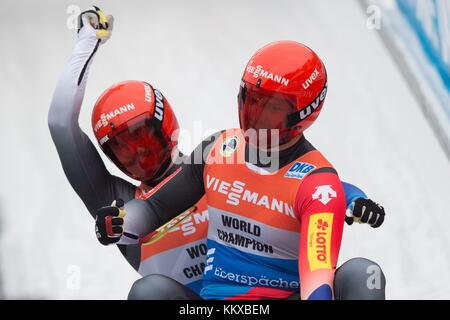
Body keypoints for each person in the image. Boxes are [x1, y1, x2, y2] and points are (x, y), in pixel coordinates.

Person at [93, 38, 386, 300]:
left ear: (305, 114)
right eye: (252, 101)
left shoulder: (319, 185)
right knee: (149, 292)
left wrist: (353, 198)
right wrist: (119, 222)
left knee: (363, 274)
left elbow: (317, 277)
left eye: (273, 109)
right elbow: (154, 207)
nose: (256, 118)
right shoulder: (218, 148)